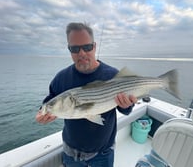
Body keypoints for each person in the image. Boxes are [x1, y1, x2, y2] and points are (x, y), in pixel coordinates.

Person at [36, 22, 137, 167]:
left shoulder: (113, 75)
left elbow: (125, 110)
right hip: (71, 152)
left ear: (94, 46)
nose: (82, 53)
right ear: (69, 50)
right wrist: (42, 111)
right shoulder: (61, 78)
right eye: (75, 49)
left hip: (103, 153)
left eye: (87, 47)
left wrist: (127, 105)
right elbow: (49, 100)